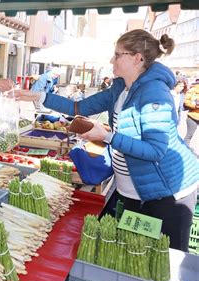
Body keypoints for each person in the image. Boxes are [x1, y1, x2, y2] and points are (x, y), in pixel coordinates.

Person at [16, 29, 198, 252]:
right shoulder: (120, 88)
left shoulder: (154, 94)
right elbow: (79, 107)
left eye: (118, 54)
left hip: (167, 194)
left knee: (164, 260)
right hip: (133, 192)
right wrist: (40, 96)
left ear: (137, 58)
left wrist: (107, 137)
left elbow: (155, 150)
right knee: (132, 253)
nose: (112, 60)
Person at [183, 82, 199, 148]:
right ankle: (184, 151)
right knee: (189, 135)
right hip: (193, 116)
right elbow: (186, 102)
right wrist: (195, 106)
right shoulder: (193, 90)